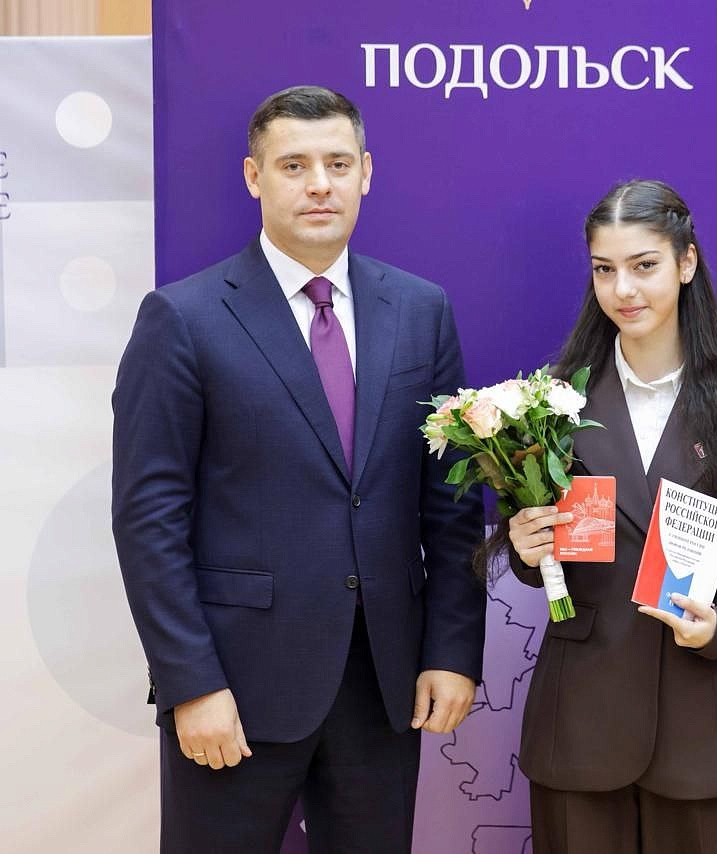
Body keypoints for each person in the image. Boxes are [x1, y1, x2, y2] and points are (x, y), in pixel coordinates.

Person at [111, 85, 485, 853]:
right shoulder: (183, 318)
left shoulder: (421, 311)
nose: (319, 184)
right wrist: (191, 683)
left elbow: (450, 510)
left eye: (338, 164)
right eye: (294, 165)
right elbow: (149, 521)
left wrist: (452, 652)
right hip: (235, 687)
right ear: (254, 177)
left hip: (383, 687)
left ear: (366, 173)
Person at [501, 179, 717, 853]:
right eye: (604, 270)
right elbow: (534, 558)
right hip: (580, 717)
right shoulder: (549, 403)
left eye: (644, 265)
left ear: (687, 263)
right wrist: (524, 545)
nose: (623, 289)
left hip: (702, 717)